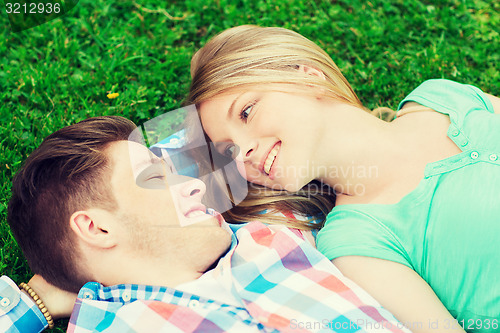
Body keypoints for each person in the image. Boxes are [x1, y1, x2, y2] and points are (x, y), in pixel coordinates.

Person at [187, 25, 500, 332]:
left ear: (307, 77)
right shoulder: (356, 243)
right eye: (228, 151)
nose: (243, 154)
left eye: (246, 111)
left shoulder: (442, 99)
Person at [1, 116, 409, 332]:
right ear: (97, 228)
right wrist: (37, 298)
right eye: (158, 178)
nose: (196, 185)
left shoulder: (269, 236)